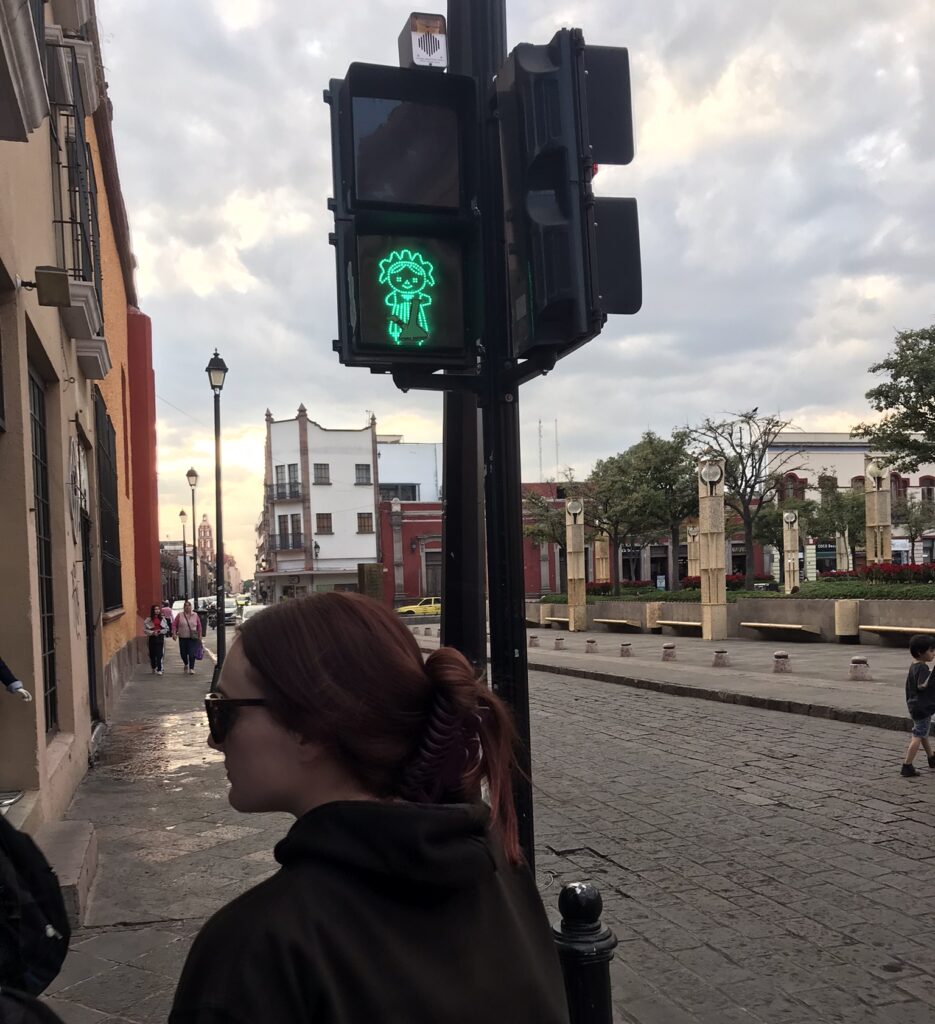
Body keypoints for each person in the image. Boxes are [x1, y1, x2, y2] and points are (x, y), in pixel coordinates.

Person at [169, 592, 569, 1024]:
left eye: (221, 710)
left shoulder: (254, 951)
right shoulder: (499, 861)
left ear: (307, 725)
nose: (213, 739)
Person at [900, 633, 935, 777]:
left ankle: (932, 758)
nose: (933, 653)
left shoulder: (914, 665)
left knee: (923, 733)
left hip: (914, 706)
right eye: (931, 650)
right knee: (918, 735)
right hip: (922, 707)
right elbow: (922, 685)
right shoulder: (922, 668)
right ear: (921, 652)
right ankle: (907, 765)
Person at [174, 600, 203, 675]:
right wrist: (174, 633)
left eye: (188, 605)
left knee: (191, 653)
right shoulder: (179, 615)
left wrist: (200, 636)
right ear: (184, 607)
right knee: (183, 653)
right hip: (182, 637)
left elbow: (199, 626)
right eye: (185, 606)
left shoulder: (195, 615)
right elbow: (174, 624)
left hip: (193, 638)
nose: (187, 607)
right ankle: (186, 663)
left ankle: (191, 668)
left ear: (191, 607)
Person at [143, 604, 170, 675]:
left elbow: (167, 628)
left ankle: (159, 669)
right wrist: (152, 632)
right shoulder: (148, 620)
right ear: (153, 610)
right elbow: (145, 630)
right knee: (152, 654)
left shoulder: (162, 619)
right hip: (152, 638)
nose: (157, 610)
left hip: (160, 637)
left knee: (159, 653)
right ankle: (153, 667)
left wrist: (160, 631)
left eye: (158, 609)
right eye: (155, 609)